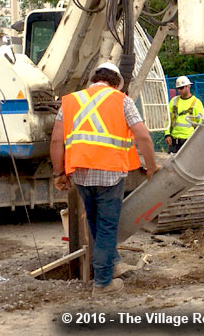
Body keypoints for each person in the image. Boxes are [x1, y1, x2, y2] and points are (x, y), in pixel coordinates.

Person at [50, 62, 159, 295]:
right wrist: (151, 167)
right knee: (107, 226)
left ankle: (113, 263)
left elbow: (56, 141)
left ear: (92, 80)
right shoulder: (122, 100)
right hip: (110, 173)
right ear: (117, 82)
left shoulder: (70, 101)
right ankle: (102, 283)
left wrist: (59, 173)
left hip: (80, 173)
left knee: (95, 221)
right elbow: (143, 137)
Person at [164, 76, 204, 153]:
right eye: (178, 88)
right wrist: (167, 134)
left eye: (181, 88)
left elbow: (201, 123)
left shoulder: (196, 103)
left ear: (188, 86)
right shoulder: (174, 101)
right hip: (174, 142)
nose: (179, 90)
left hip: (190, 142)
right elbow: (167, 119)